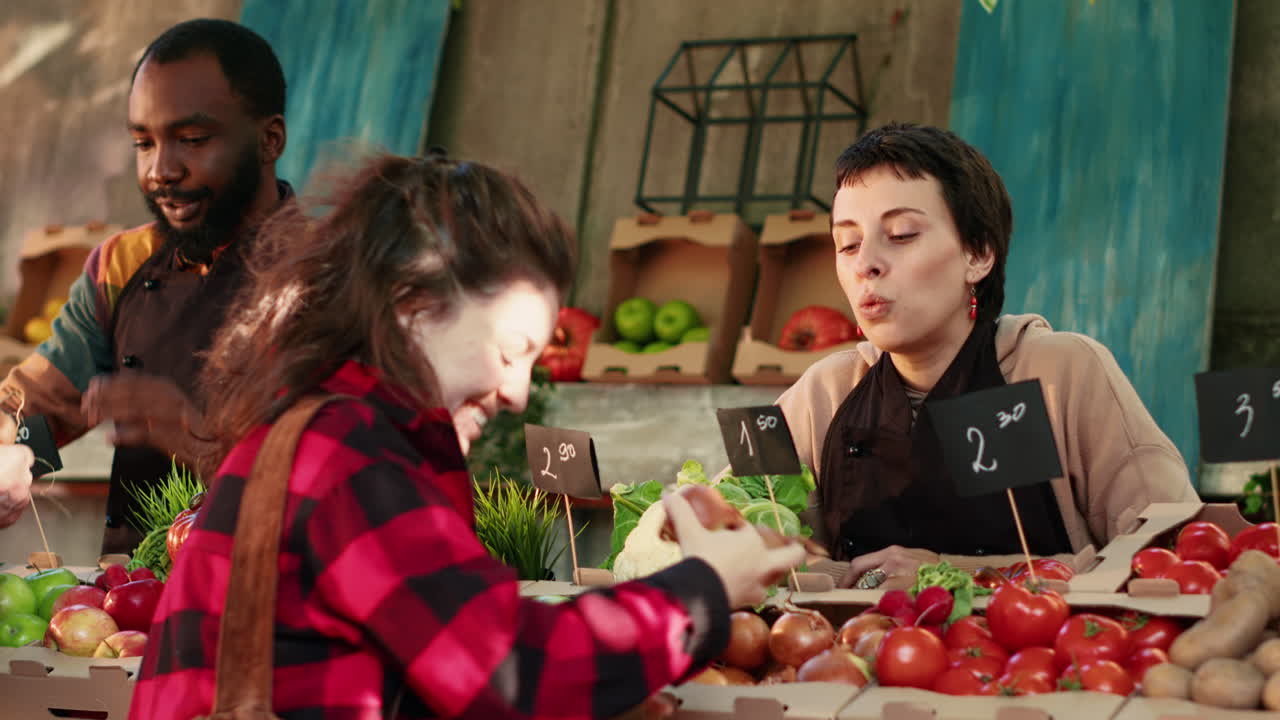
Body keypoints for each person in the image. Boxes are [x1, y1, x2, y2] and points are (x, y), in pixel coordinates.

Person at [128, 153, 805, 719]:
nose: (515, 392)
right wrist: (703, 590)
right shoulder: (348, 456)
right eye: (511, 349)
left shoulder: (319, 428)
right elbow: (505, 668)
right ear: (414, 307)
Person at [779, 123, 1196, 590]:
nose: (865, 264)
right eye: (848, 244)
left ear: (977, 254)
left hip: (1040, 654)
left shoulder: (1063, 371)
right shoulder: (826, 390)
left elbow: (1170, 552)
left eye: (900, 234)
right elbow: (735, 528)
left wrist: (954, 576)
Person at [0, 19, 292, 554]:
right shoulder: (121, 263)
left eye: (193, 140)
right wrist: (18, 454)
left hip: (271, 600)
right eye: (143, 142)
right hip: (127, 605)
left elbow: (343, 482)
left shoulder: (331, 277)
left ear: (269, 139)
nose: (161, 170)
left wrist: (194, 436)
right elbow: (47, 402)